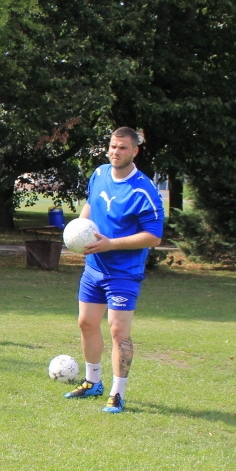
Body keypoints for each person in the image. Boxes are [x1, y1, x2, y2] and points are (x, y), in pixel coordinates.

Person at [63, 127, 164, 413]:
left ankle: (117, 394)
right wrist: (79, 231)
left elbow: (154, 236)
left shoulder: (144, 190)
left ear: (135, 151)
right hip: (94, 268)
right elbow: (91, 205)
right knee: (86, 323)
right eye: (112, 146)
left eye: (122, 148)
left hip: (123, 272)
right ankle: (93, 382)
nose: (115, 152)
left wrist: (111, 244)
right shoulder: (99, 174)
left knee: (119, 332)